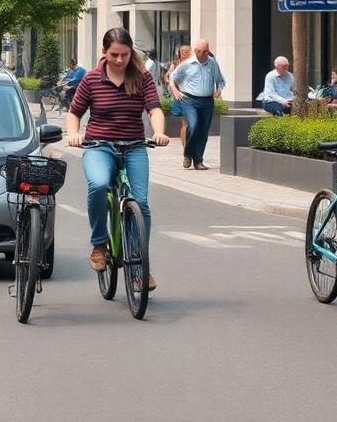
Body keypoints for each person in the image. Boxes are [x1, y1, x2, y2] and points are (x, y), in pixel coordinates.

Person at [67, 28, 170, 291]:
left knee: (141, 201)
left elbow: (154, 108)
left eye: (125, 54)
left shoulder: (142, 78)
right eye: (114, 55)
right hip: (99, 146)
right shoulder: (91, 80)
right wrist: (73, 134)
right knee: (99, 185)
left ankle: (140, 266)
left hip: (134, 146)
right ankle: (99, 245)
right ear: (104, 52)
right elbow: (74, 112)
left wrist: (158, 131)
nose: (120, 60)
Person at [169, 38, 224, 170]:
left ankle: (198, 160)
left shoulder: (212, 63)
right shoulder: (187, 64)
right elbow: (172, 77)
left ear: (208, 51)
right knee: (192, 125)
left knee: (203, 131)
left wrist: (218, 90)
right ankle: (188, 154)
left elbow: (220, 80)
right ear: (195, 50)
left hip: (207, 101)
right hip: (189, 100)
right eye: (199, 51)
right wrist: (175, 91)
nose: (202, 54)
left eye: (205, 52)